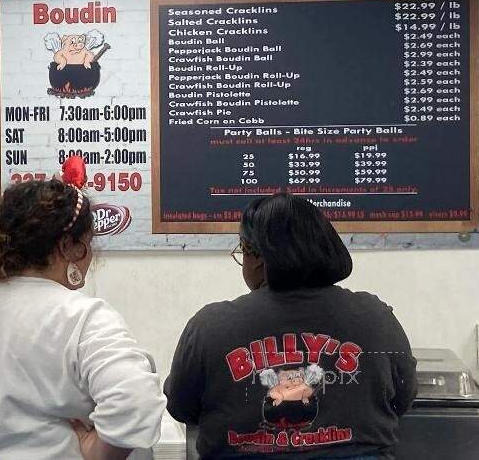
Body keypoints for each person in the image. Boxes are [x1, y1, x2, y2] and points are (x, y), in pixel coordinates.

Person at [0, 158, 166, 460]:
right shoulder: (84, 319)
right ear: (68, 246)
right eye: (88, 243)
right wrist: (97, 452)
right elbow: (136, 402)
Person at [165, 193, 417, 460]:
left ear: (256, 256)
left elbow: (181, 407)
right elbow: (403, 398)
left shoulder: (209, 327)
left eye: (243, 252)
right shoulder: (376, 318)